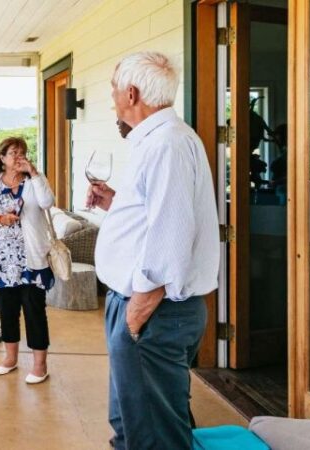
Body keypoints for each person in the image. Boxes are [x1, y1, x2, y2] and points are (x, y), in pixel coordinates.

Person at [86, 51, 219, 450]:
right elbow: (157, 216)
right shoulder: (159, 141)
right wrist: (116, 202)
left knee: (154, 435)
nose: (112, 97)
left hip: (151, 310)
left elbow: (172, 240)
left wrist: (133, 317)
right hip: (142, 307)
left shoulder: (167, 145)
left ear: (131, 93)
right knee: (131, 422)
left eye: (113, 89)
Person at [0, 137, 55, 384]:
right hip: (1, 261)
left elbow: (47, 202)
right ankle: (10, 358)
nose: (18, 156)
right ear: (2, 158)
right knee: (6, 311)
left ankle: (40, 365)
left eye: (22, 152)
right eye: (12, 153)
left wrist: (34, 172)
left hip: (30, 260)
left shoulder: (34, 181)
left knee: (34, 311)